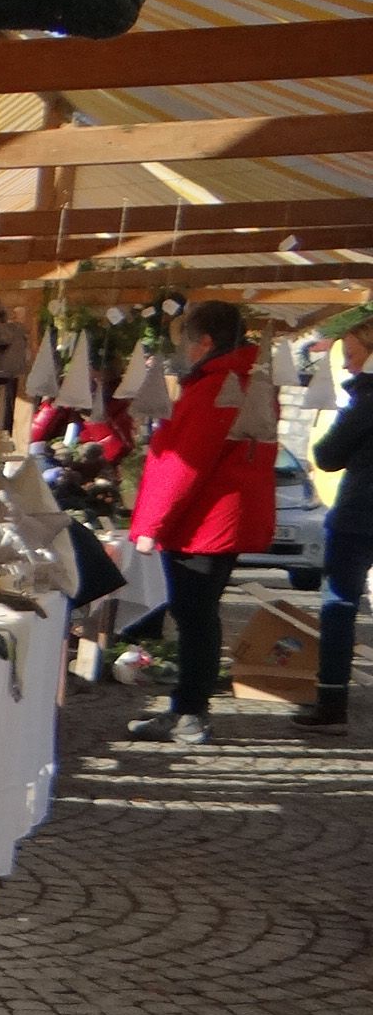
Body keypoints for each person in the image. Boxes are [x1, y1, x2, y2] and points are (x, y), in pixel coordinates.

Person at [124, 299, 276, 746]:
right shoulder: (246, 380)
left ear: (205, 342)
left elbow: (184, 464)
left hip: (203, 523)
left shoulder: (218, 386)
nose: (184, 351)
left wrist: (151, 525)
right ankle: (188, 709)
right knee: (197, 616)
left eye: (187, 342)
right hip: (217, 519)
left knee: (195, 617)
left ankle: (190, 713)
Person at [298, 306, 373, 730]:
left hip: (360, 515)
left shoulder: (367, 398)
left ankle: (331, 704)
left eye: (352, 356)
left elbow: (327, 455)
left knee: (340, 605)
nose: (346, 365)